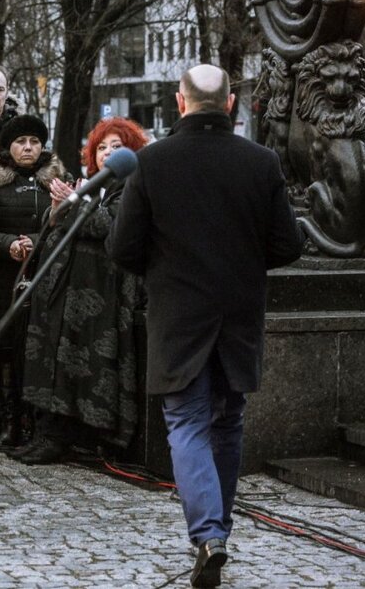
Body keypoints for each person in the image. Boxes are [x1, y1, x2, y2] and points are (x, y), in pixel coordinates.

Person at [108, 65, 303, 588]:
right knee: (228, 423)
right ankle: (219, 532)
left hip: (179, 317)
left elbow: (123, 248)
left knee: (187, 424)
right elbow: (287, 245)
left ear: (181, 101)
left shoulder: (151, 162)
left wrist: (166, 265)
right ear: (232, 104)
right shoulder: (261, 162)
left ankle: (209, 535)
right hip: (239, 315)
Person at [14, 117, 147, 466]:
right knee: (55, 360)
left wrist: (71, 203)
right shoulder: (92, 186)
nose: (107, 154)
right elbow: (58, 227)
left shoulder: (134, 188)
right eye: (101, 147)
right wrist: (61, 207)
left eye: (116, 147)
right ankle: (48, 433)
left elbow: (105, 226)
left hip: (105, 296)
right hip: (68, 291)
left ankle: (74, 436)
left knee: (88, 366)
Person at [0, 115, 64, 447]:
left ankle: (30, 421)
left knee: (33, 352)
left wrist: (34, 242)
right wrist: (7, 244)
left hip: (40, 276)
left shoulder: (55, 182)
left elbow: (62, 226)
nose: (28, 148)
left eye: (35, 142)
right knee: (1, 352)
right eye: (21, 142)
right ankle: (3, 418)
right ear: (9, 147)